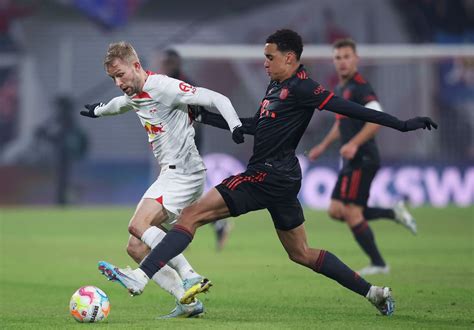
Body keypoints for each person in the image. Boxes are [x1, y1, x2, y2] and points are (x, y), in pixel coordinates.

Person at [98, 29, 437, 316]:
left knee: (192, 214)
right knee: (301, 253)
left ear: (290, 58)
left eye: (270, 57)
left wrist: (403, 125)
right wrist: (204, 117)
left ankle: (144, 277)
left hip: (267, 174)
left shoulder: (305, 88)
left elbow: (349, 108)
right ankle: (374, 292)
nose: (265, 62)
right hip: (283, 178)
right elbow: (257, 126)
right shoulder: (275, 87)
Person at [80, 41, 243, 318]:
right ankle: (188, 302)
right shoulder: (135, 92)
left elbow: (218, 99)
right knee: (135, 246)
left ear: (136, 66)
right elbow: (122, 104)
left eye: (120, 74)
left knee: (137, 224)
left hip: (185, 173)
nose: (118, 82)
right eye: (112, 78)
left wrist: (235, 125)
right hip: (172, 173)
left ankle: (190, 275)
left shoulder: (164, 86)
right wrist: (99, 111)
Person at [307, 38, 417, 276]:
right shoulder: (340, 88)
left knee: (351, 212)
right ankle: (392, 212)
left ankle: (378, 263)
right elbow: (341, 122)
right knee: (336, 210)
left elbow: (377, 118)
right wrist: (323, 145)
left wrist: (355, 143)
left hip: (363, 157)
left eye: (347, 57)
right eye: (338, 58)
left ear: (356, 59)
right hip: (351, 159)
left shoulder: (360, 87)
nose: (343, 62)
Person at [159, 48, 233, 251]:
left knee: (176, 188)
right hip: (169, 146)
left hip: (186, 146)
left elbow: (199, 116)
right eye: (164, 62)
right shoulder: (162, 84)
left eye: (168, 62)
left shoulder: (186, 84)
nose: (165, 66)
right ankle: (214, 224)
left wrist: (184, 141)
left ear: (176, 63)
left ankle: (179, 235)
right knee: (181, 191)